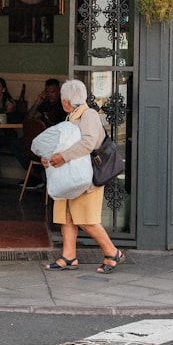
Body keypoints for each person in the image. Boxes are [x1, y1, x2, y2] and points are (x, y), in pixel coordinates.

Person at [43, 79, 127, 274]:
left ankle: (113, 252)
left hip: (86, 177)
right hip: (71, 176)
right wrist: (49, 157)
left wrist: (62, 157)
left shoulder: (88, 115)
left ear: (66, 101)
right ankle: (69, 256)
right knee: (67, 217)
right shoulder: (72, 117)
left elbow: (88, 143)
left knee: (86, 219)